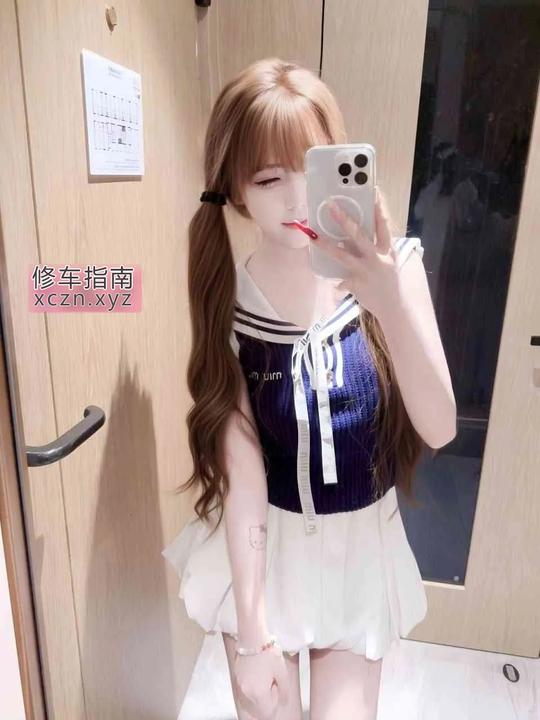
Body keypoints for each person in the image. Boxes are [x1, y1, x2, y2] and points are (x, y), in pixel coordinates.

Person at [162, 57, 456, 720]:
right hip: (264, 556)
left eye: (312, 168)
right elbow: (243, 477)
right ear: (237, 192)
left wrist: (388, 300)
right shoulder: (231, 302)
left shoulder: (396, 269)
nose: (297, 200)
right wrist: (253, 634)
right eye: (270, 178)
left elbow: (439, 427)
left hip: (359, 554)